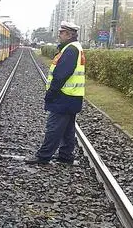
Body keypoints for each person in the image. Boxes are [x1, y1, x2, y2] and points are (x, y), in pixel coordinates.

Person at [25, 21, 85, 164]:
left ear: (69, 34)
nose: (59, 35)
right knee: (67, 128)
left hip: (64, 95)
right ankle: (66, 155)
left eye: (61, 32)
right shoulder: (75, 47)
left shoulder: (70, 49)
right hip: (73, 96)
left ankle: (43, 156)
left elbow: (60, 75)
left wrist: (51, 93)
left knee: (54, 127)